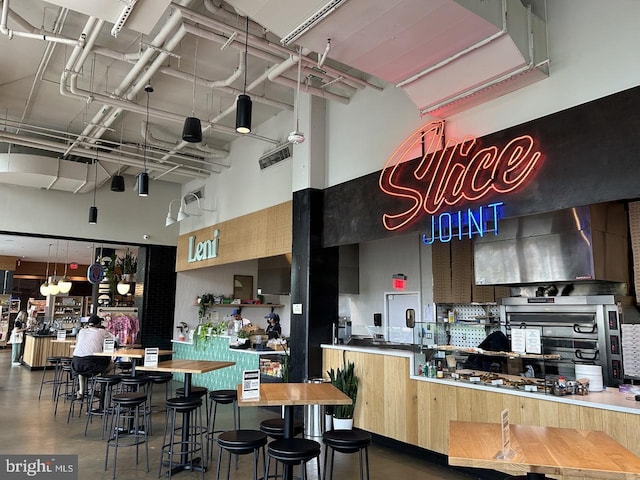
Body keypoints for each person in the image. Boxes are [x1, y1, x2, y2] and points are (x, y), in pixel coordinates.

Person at [71, 314, 115, 399]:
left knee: (82, 368)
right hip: (91, 363)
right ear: (99, 323)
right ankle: (95, 388)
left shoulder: (81, 331)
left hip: (76, 363)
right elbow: (112, 342)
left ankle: (81, 392)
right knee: (111, 365)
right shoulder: (102, 332)